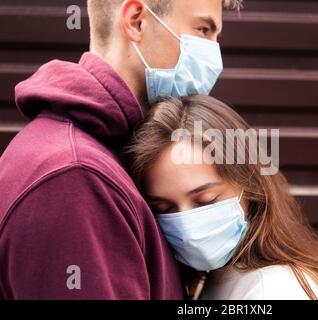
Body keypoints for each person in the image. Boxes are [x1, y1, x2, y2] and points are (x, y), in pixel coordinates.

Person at [0, 0, 241, 299]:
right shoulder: (75, 177)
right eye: (203, 30)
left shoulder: (113, 150)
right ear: (137, 21)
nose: (214, 57)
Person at [127, 95, 318, 300]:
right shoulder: (218, 278)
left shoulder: (278, 289)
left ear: (251, 186)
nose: (187, 226)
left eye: (206, 200)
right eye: (166, 209)